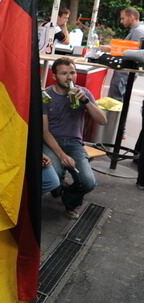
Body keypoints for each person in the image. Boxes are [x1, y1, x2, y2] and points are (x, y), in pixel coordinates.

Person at [42, 58, 106, 218]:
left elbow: (103, 121)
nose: (69, 77)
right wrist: (62, 155)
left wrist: (86, 102)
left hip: (74, 144)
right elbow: (44, 131)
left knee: (88, 182)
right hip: (51, 143)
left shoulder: (83, 93)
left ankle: (69, 198)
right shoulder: (46, 95)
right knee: (53, 175)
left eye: (72, 72)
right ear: (55, 76)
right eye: (64, 73)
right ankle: (58, 186)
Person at [107, 7, 144, 100]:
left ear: (131, 17)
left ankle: (114, 115)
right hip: (125, 71)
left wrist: (112, 49)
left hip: (125, 72)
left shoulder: (138, 31)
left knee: (115, 99)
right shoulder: (137, 30)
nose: (121, 21)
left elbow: (134, 53)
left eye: (123, 18)